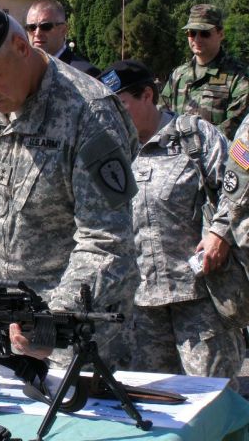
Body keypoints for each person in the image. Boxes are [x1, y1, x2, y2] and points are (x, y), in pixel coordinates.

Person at [0, 2, 140, 369]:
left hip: (83, 333)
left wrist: (52, 322)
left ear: (22, 47)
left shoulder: (90, 112)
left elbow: (107, 240)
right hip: (10, 327)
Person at [100, 60, 244, 383]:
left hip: (200, 300)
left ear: (147, 95)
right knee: (154, 398)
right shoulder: (111, 151)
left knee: (213, 396)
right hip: (140, 306)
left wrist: (220, 233)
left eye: (120, 105)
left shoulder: (194, 136)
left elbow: (237, 191)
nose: (112, 117)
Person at [160, 4, 249, 141]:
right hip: (177, 152)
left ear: (220, 34)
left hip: (218, 152)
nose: (197, 39)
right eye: (192, 33)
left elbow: (235, 128)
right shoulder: (178, 75)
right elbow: (163, 118)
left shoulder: (239, 77)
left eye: (204, 33)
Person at [24, 0, 100, 77]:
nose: (37, 33)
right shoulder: (23, 70)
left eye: (46, 26)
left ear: (63, 30)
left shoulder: (85, 74)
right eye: (31, 27)